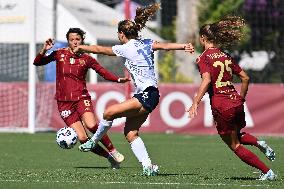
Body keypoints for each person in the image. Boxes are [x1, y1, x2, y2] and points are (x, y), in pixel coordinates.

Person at [75, 3, 194, 176]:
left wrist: (82, 48)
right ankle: (148, 166)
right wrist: (184, 46)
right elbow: (165, 46)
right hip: (151, 94)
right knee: (130, 133)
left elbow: (101, 50)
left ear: (122, 34)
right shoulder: (146, 43)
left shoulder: (125, 48)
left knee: (109, 113)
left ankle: (94, 141)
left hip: (146, 94)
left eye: (119, 34)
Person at [186, 16, 276, 181]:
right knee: (236, 134)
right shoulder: (225, 56)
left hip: (222, 104)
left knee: (234, 144)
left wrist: (195, 103)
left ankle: (267, 172)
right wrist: (241, 98)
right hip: (235, 101)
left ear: (203, 38)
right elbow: (245, 78)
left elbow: (206, 80)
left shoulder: (203, 58)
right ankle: (258, 143)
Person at [33, 28, 130, 169]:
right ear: (68, 41)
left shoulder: (87, 59)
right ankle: (109, 158)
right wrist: (44, 50)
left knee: (92, 125)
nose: (75, 42)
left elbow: (102, 72)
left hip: (81, 98)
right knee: (83, 138)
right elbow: (37, 62)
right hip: (64, 102)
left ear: (82, 40)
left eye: (77, 39)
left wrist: (118, 79)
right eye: (71, 40)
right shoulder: (59, 54)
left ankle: (113, 151)